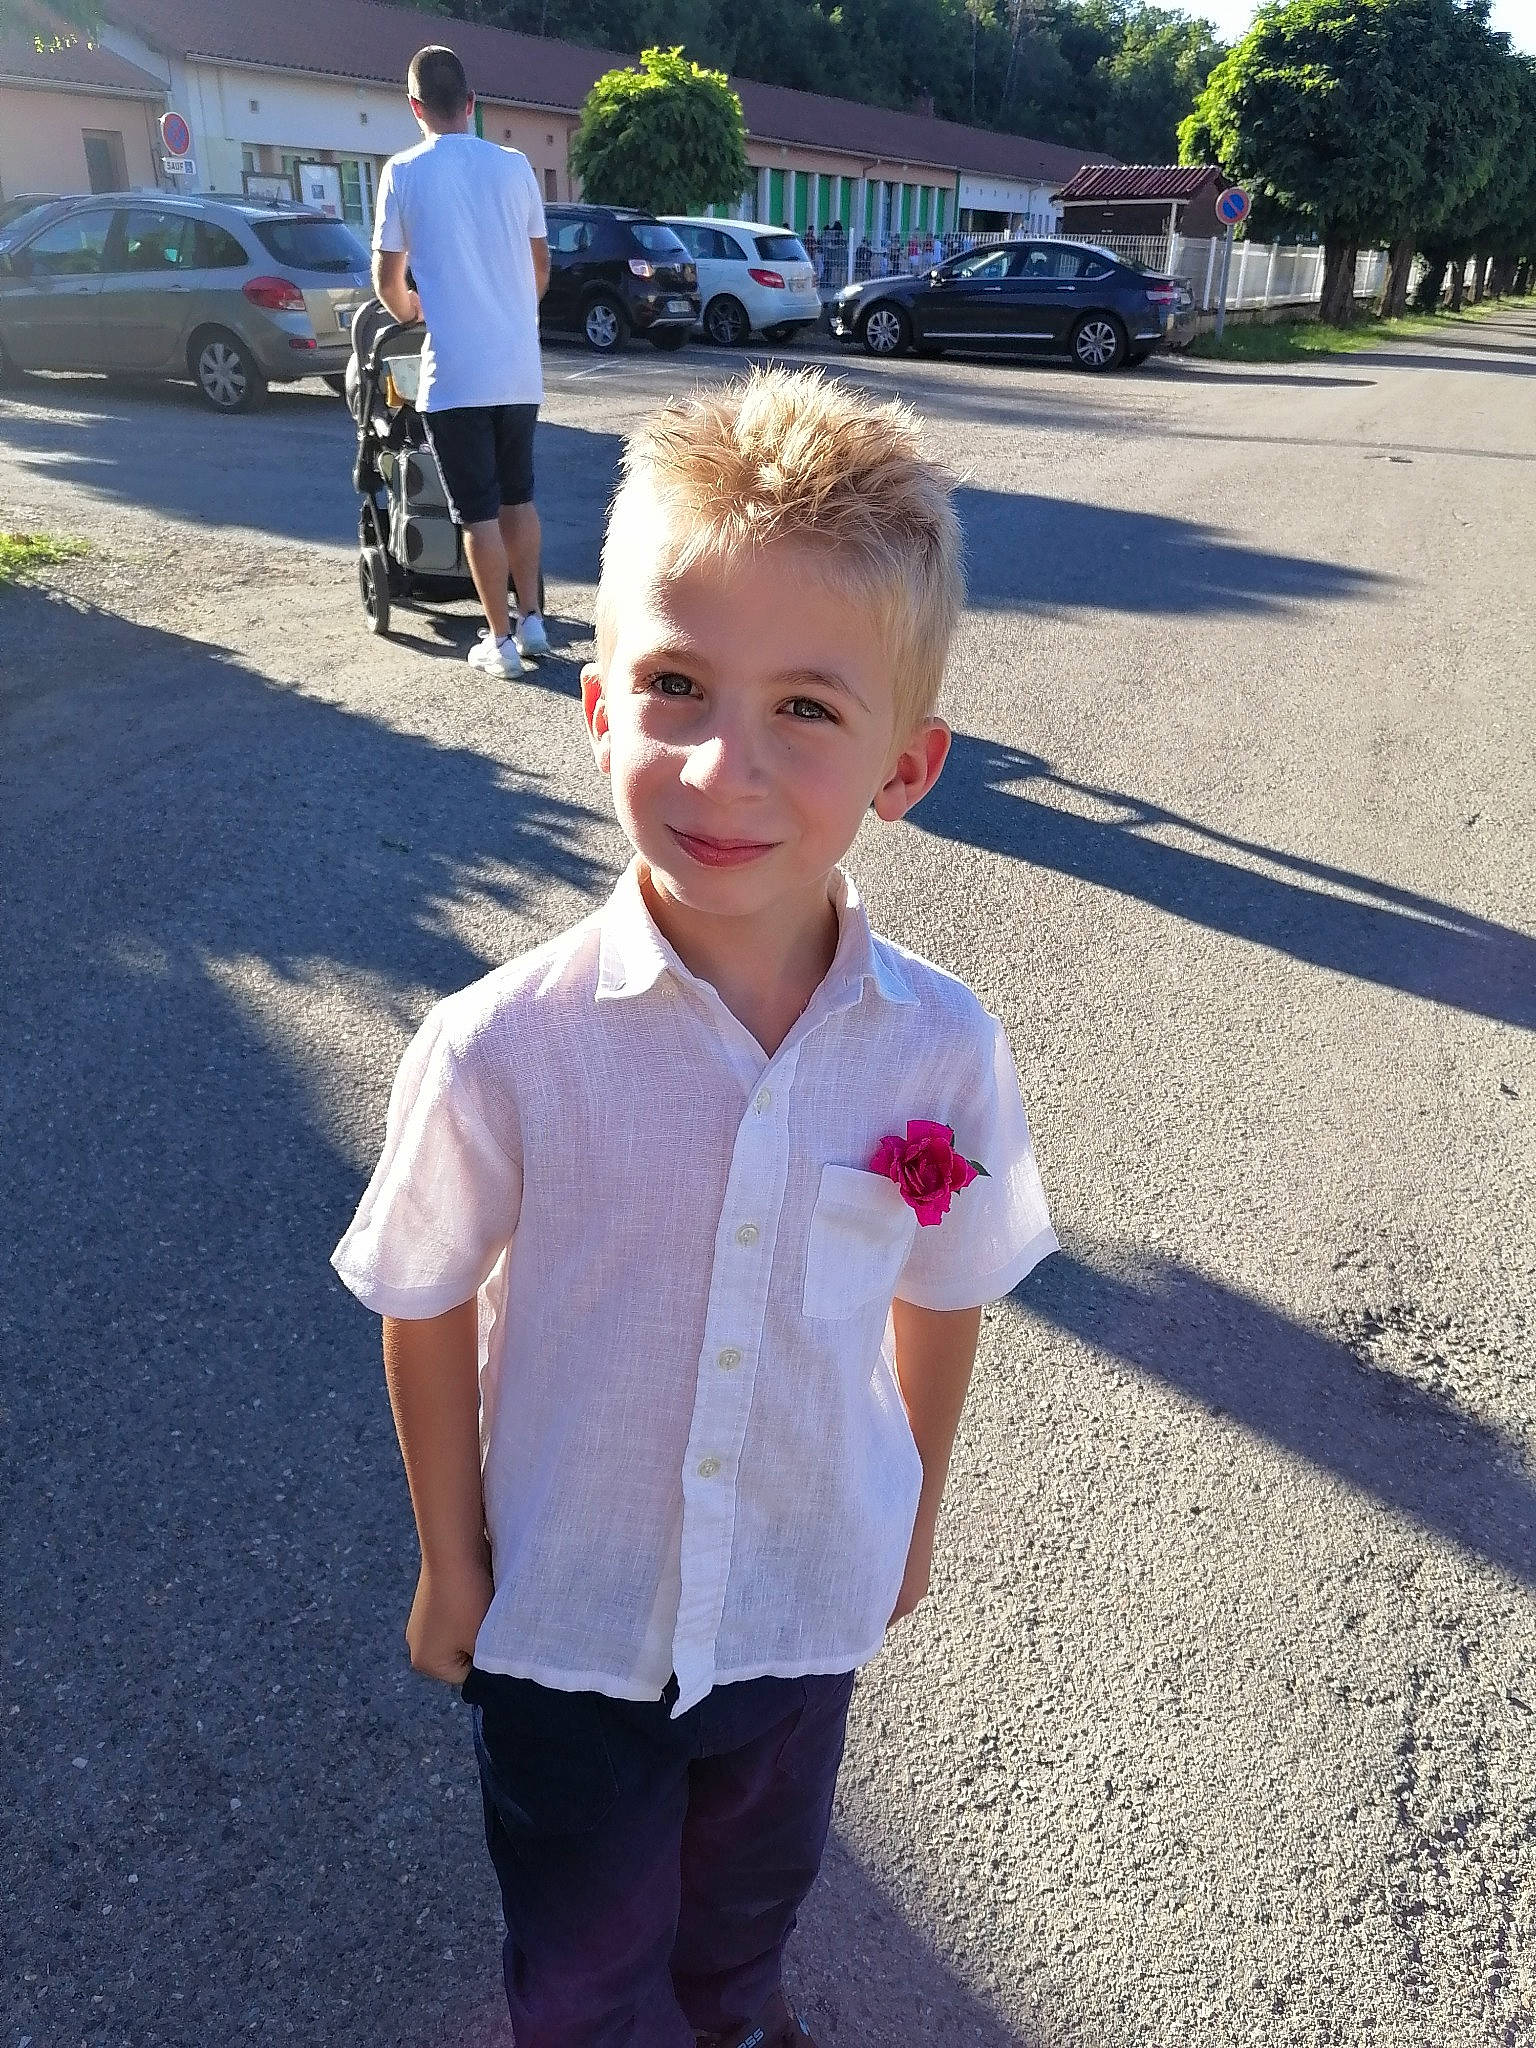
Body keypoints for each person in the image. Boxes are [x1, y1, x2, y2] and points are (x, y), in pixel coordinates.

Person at [332, 367, 1056, 2048]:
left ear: (907, 763)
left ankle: (730, 2018)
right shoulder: (502, 1045)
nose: (724, 764)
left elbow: (943, 1284)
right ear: (597, 706)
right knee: (583, 1960)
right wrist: (452, 1562)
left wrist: (912, 1515)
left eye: (806, 706)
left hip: (802, 1595)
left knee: (748, 1910)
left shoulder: (941, 1047)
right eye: (675, 685)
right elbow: (421, 1293)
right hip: (566, 1622)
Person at [372, 44, 550, 680]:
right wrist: (511, 311)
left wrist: (412, 310)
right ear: (472, 103)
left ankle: (498, 641)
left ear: (415, 107)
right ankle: (533, 622)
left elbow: (387, 279)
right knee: (519, 499)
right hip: (518, 369)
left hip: (456, 377)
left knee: (478, 514)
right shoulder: (516, 166)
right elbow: (540, 267)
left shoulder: (403, 172)